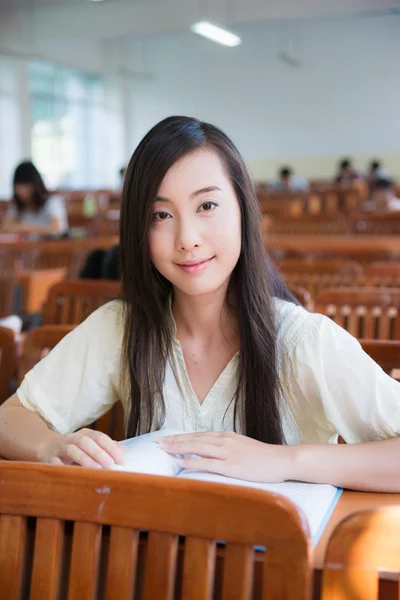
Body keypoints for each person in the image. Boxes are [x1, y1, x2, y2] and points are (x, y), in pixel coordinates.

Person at [0, 116, 399, 492]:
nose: (186, 238)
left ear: (244, 210)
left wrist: (286, 461)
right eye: (161, 214)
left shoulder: (305, 342)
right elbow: (10, 417)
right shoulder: (122, 328)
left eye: (206, 206)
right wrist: (50, 447)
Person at [1, 161, 68, 236]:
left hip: (52, 246)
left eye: (25, 186)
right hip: (27, 246)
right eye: (18, 186)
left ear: (36, 185)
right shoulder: (17, 203)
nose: (21, 191)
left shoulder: (52, 200)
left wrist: (24, 227)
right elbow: (5, 227)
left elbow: (57, 229)